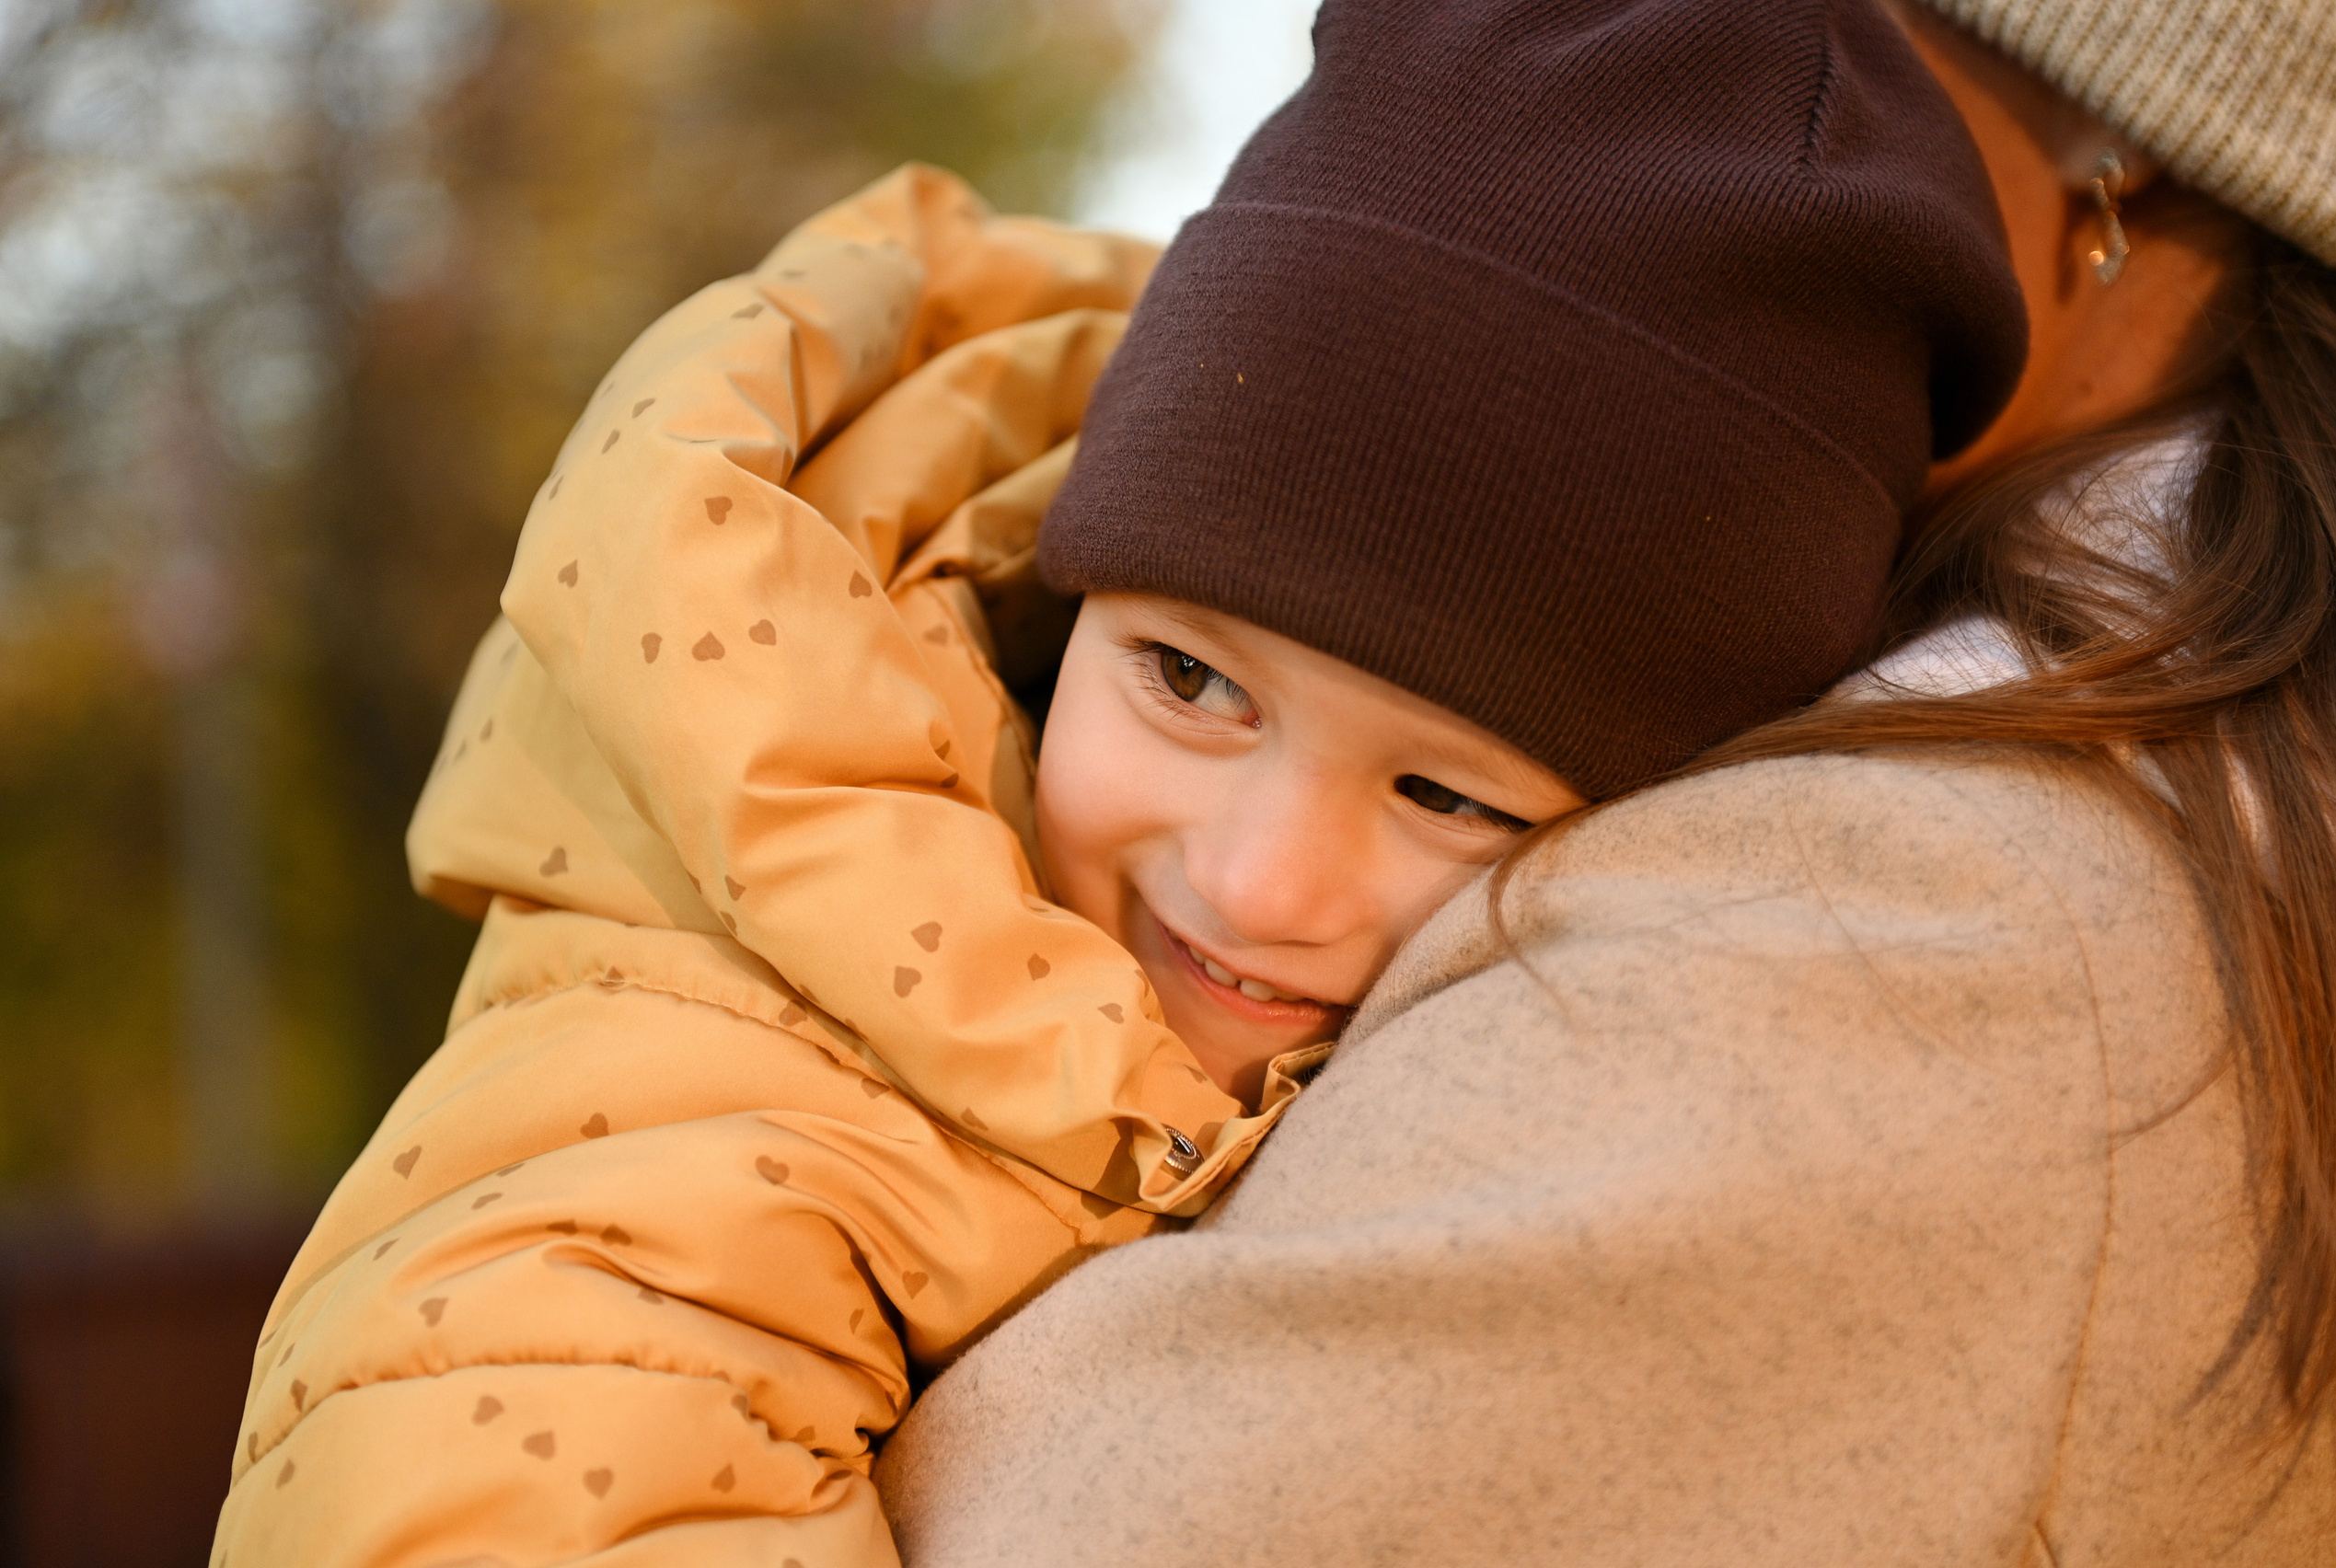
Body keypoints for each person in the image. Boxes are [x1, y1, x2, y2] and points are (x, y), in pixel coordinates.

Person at [212, 0, 2035, 1559]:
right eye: (1187, 682)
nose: (1256, 882)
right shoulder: (725, 1112)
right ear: (1061, 601)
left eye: (1448, 797)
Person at [875, 1, 2336, 1563]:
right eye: (1187, 679)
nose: (1670, 51)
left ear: (2107, 155)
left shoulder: (1950, 920)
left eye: (1453, 796)